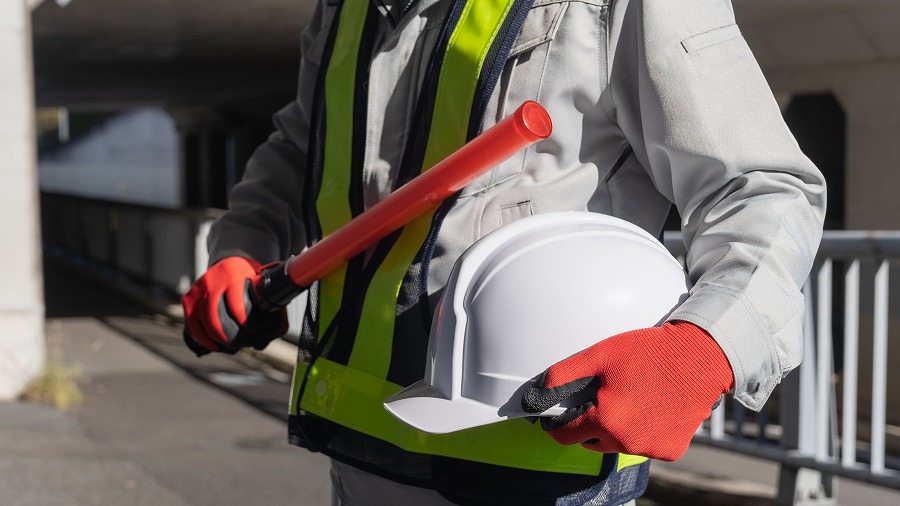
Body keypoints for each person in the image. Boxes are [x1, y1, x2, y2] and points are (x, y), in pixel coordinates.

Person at [181, 0, 826, 505]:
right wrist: (243, 244)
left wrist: (704, 348)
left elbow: (763, 189)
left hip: (539, 461)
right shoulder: (349, 7)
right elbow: (307, 141)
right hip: (362, 449)